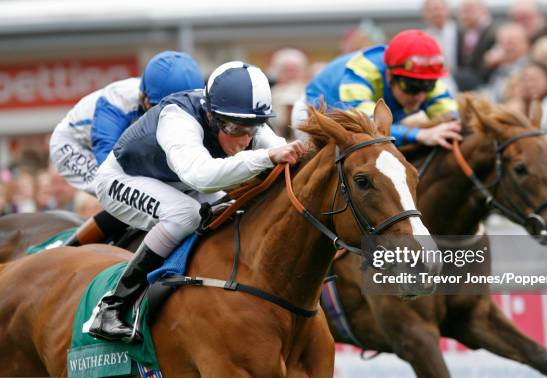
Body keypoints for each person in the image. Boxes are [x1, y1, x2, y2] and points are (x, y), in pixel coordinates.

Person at [87, 61, 306, 342]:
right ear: (212, 116)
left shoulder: (243, 119)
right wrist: (265, 157)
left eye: (252, 128)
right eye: (235, 128)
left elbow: (280, 152)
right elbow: (201, 176)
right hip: (121, 178)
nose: (244, 139)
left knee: (235, 206)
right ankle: (112, 307)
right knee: (186, 215)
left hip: (177, 181)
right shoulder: (178, 119)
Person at [50, 51, 205, 246]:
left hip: (125, 148)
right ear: (147, 102)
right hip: (77, 146)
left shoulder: (192, 100)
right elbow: (108, 164)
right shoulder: (117, 102)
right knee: (124, 195)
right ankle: (67, 250)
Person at [293, 29, 462, 149]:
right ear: (389, 75)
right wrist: (420, 134)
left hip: (371, 120)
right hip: (313, 115)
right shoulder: (362, 74)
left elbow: (452, 121)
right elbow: (370, 129)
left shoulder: (421, 76)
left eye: (429, 86)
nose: (420, 95)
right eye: (411, 87)